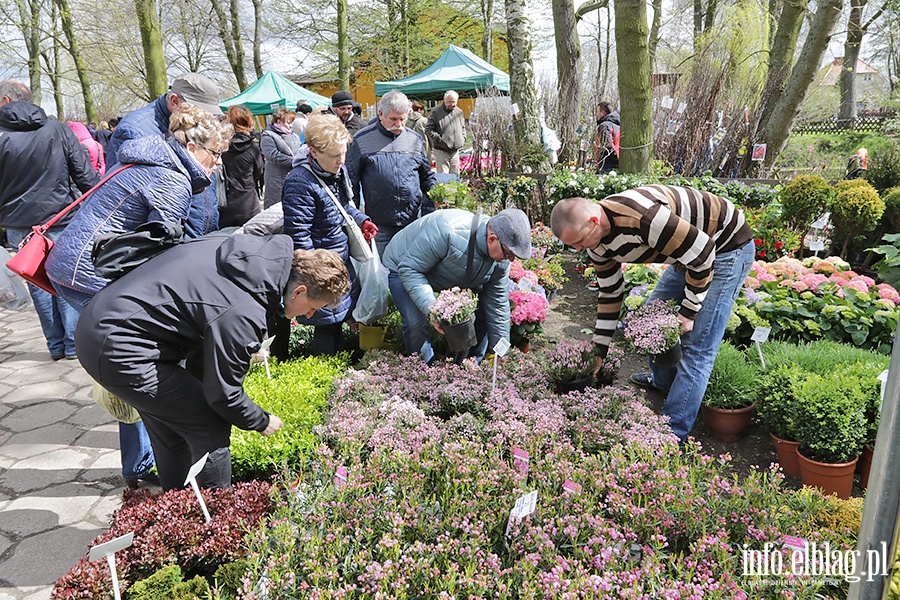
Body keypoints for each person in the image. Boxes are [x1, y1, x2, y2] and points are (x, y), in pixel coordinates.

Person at [45, 104, 232, 489]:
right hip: (88, 274)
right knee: (135, 359)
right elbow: (166, 249)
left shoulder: (152, 159)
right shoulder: (172, 179)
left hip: (75, 263)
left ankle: (157, 448)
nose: (218, 164)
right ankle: (148, 455)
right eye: (215, 154)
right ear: (193, 147)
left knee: (143, 364)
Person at [74, 235, 349, 490]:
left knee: (172, 428)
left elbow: (203, 367)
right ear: (299, 291)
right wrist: (260, 420)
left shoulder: (251, 257)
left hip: (103, 325)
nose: (311, 315)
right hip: (119, 348)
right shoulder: (243, 310)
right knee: (209, 424)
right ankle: (218, 518)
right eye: (314, 307)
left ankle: (178, 511)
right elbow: (222, 395)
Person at [549, 186, 755, 442]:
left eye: (578, 241)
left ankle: (670, 434)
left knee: (697, 347)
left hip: (723, 248)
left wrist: (689, 313)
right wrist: (598, 351)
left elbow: (703, 254)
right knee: (649, 326)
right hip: (684, 253)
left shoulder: (643, 217)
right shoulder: (596, 244)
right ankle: (664, 383)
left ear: (593, 222)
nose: (579, 249)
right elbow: (611, 293)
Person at [0, 80, 99, 361]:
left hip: (20, 223)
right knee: (65, 278)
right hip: (61, 217)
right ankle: (72, 345)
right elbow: (86, 177)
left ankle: (57, 345)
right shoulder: (58, 130)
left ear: (6, 100)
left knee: (38, 284)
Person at [382, 207, 532, 364]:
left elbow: (497, 305)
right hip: (404, 265)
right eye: (508, 254)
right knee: (416, 322)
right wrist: (435, 312)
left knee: (483, 313)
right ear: (492, 239)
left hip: (448, 272)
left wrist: (501, 352)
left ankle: (469, 367)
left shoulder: (500, 262)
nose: (511, 260)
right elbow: (409, 269)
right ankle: (422, 371)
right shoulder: (449, 231)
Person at [282, 114, 378, 355]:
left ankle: (339, 365)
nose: (341, 160)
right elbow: (299, 236)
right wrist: (317, 275)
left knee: (337, 320)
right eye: (335, 156)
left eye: (343, 153)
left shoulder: (336, 171)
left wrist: (361, 219)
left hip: (338, 260)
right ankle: (328, 371)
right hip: (320, 267)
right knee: (326, 324)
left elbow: (342, 206)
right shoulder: (299, 183)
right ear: (313, 152)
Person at [105, 72, 224, 238]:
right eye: (200, 112)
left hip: (202, 236)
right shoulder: (134, 131)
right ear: (174, 101)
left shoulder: (199, 126)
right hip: (171, 244)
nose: (205, 119)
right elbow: (121, 202)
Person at [346, 89, 436, 255]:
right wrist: (357, 217)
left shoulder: (415, 139)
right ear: (380, 114)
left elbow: (426, 176)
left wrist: (436, 198)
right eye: (393, 119)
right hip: (379, 224)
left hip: (411, 221)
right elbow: (351, 181)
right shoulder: (362, 140)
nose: (399, 124)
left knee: (410, 268)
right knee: (383, 273)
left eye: (403, 119)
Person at [220, 105, 264, 228]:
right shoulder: (253, 147)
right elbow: (259, 172)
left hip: (225, 202)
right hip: (248, 202)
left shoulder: (221, 145)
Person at [260, 106, 301, 209]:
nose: (291, 126)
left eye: (292, 122)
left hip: (294, 178)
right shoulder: (268, 135)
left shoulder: (295, 136)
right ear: (279, 121)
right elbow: (273, 155)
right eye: (288, 122)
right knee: (275, 208)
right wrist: (295, 161)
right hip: (276, 179)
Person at [425, 90, 465, 175]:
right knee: (443, 176)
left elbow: (463, 127)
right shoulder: (435, 111)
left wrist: (463, 138)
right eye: (449, 102)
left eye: (454, 102)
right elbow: (428, 129)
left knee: (455, 176)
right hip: (441, 150)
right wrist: (439, 140)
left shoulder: (459, 112)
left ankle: (454, 189)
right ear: (444, 100)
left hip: (455, 150)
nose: (452, 104)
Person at [595, 101, 620, 172]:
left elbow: (607, 146)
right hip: (617, 164)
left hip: (607, 165)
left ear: (603, 113)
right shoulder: (618, 126)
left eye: (598, 112)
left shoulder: (604, 126)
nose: (597, 115)